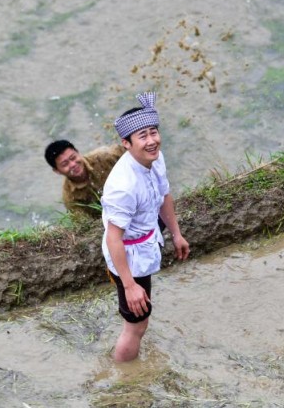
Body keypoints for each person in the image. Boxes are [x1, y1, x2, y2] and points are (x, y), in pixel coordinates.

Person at [100, 92, 190, 362]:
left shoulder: (155, 158)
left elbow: (164, 195)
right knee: (137, 325)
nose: (152, 141)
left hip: (147, 229)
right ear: (126, 143)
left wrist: (176, 234)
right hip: (129, 255)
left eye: (154, 132)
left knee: (140, 319)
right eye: (143, 136)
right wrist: (129, 285)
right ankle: (125, 378)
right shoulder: (123, 186)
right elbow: (113, 237)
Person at [45, 140, 125, 219]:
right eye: (65, 164)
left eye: (73, 157)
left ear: (78, 152)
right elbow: (86, 223)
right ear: (57, 171)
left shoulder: (104, 156)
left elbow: (132, 152)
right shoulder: (70, 198)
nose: (73, 164)